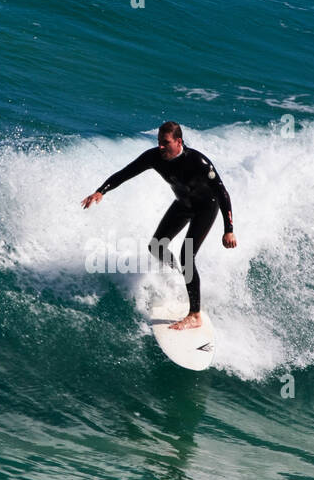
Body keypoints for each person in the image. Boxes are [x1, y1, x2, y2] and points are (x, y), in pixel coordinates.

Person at [82, 121, 236, 330]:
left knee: (186, 256)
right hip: (182, 205)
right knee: (156, 247)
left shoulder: (198, 162)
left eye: (166, 143)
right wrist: (101, 191)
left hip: (205, 208)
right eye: (158, 142)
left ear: (179, 141)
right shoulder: (154, 157)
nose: (160, 147)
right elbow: (125, 173)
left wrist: (229, 230)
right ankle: (178, 273)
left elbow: (222, 193)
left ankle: (195, 315)